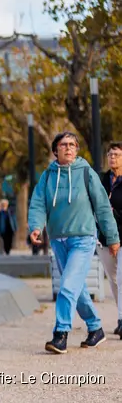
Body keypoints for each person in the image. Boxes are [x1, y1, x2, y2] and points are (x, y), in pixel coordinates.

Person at [28, 131, 120, 354]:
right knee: (76, 288)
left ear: (77, 149)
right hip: (58, 239)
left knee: (67, 285)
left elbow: (102, 208)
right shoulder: (48, 176)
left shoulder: (86, 172)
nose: (68, 148)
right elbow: (38, 203)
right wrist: (36, 227)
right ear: (55, 150)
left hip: (83, 238)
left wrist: (113, 237)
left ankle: (61, 333)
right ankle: (95, 327)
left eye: (72, 145)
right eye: (63, 144)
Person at [96, 142, 122, 337]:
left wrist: (114, 212)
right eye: (110, 154)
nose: (112, 158)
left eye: (117, 155)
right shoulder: (101, 180)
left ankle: (121, 320)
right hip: (104, 237)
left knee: (121, 279)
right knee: (113, 280)